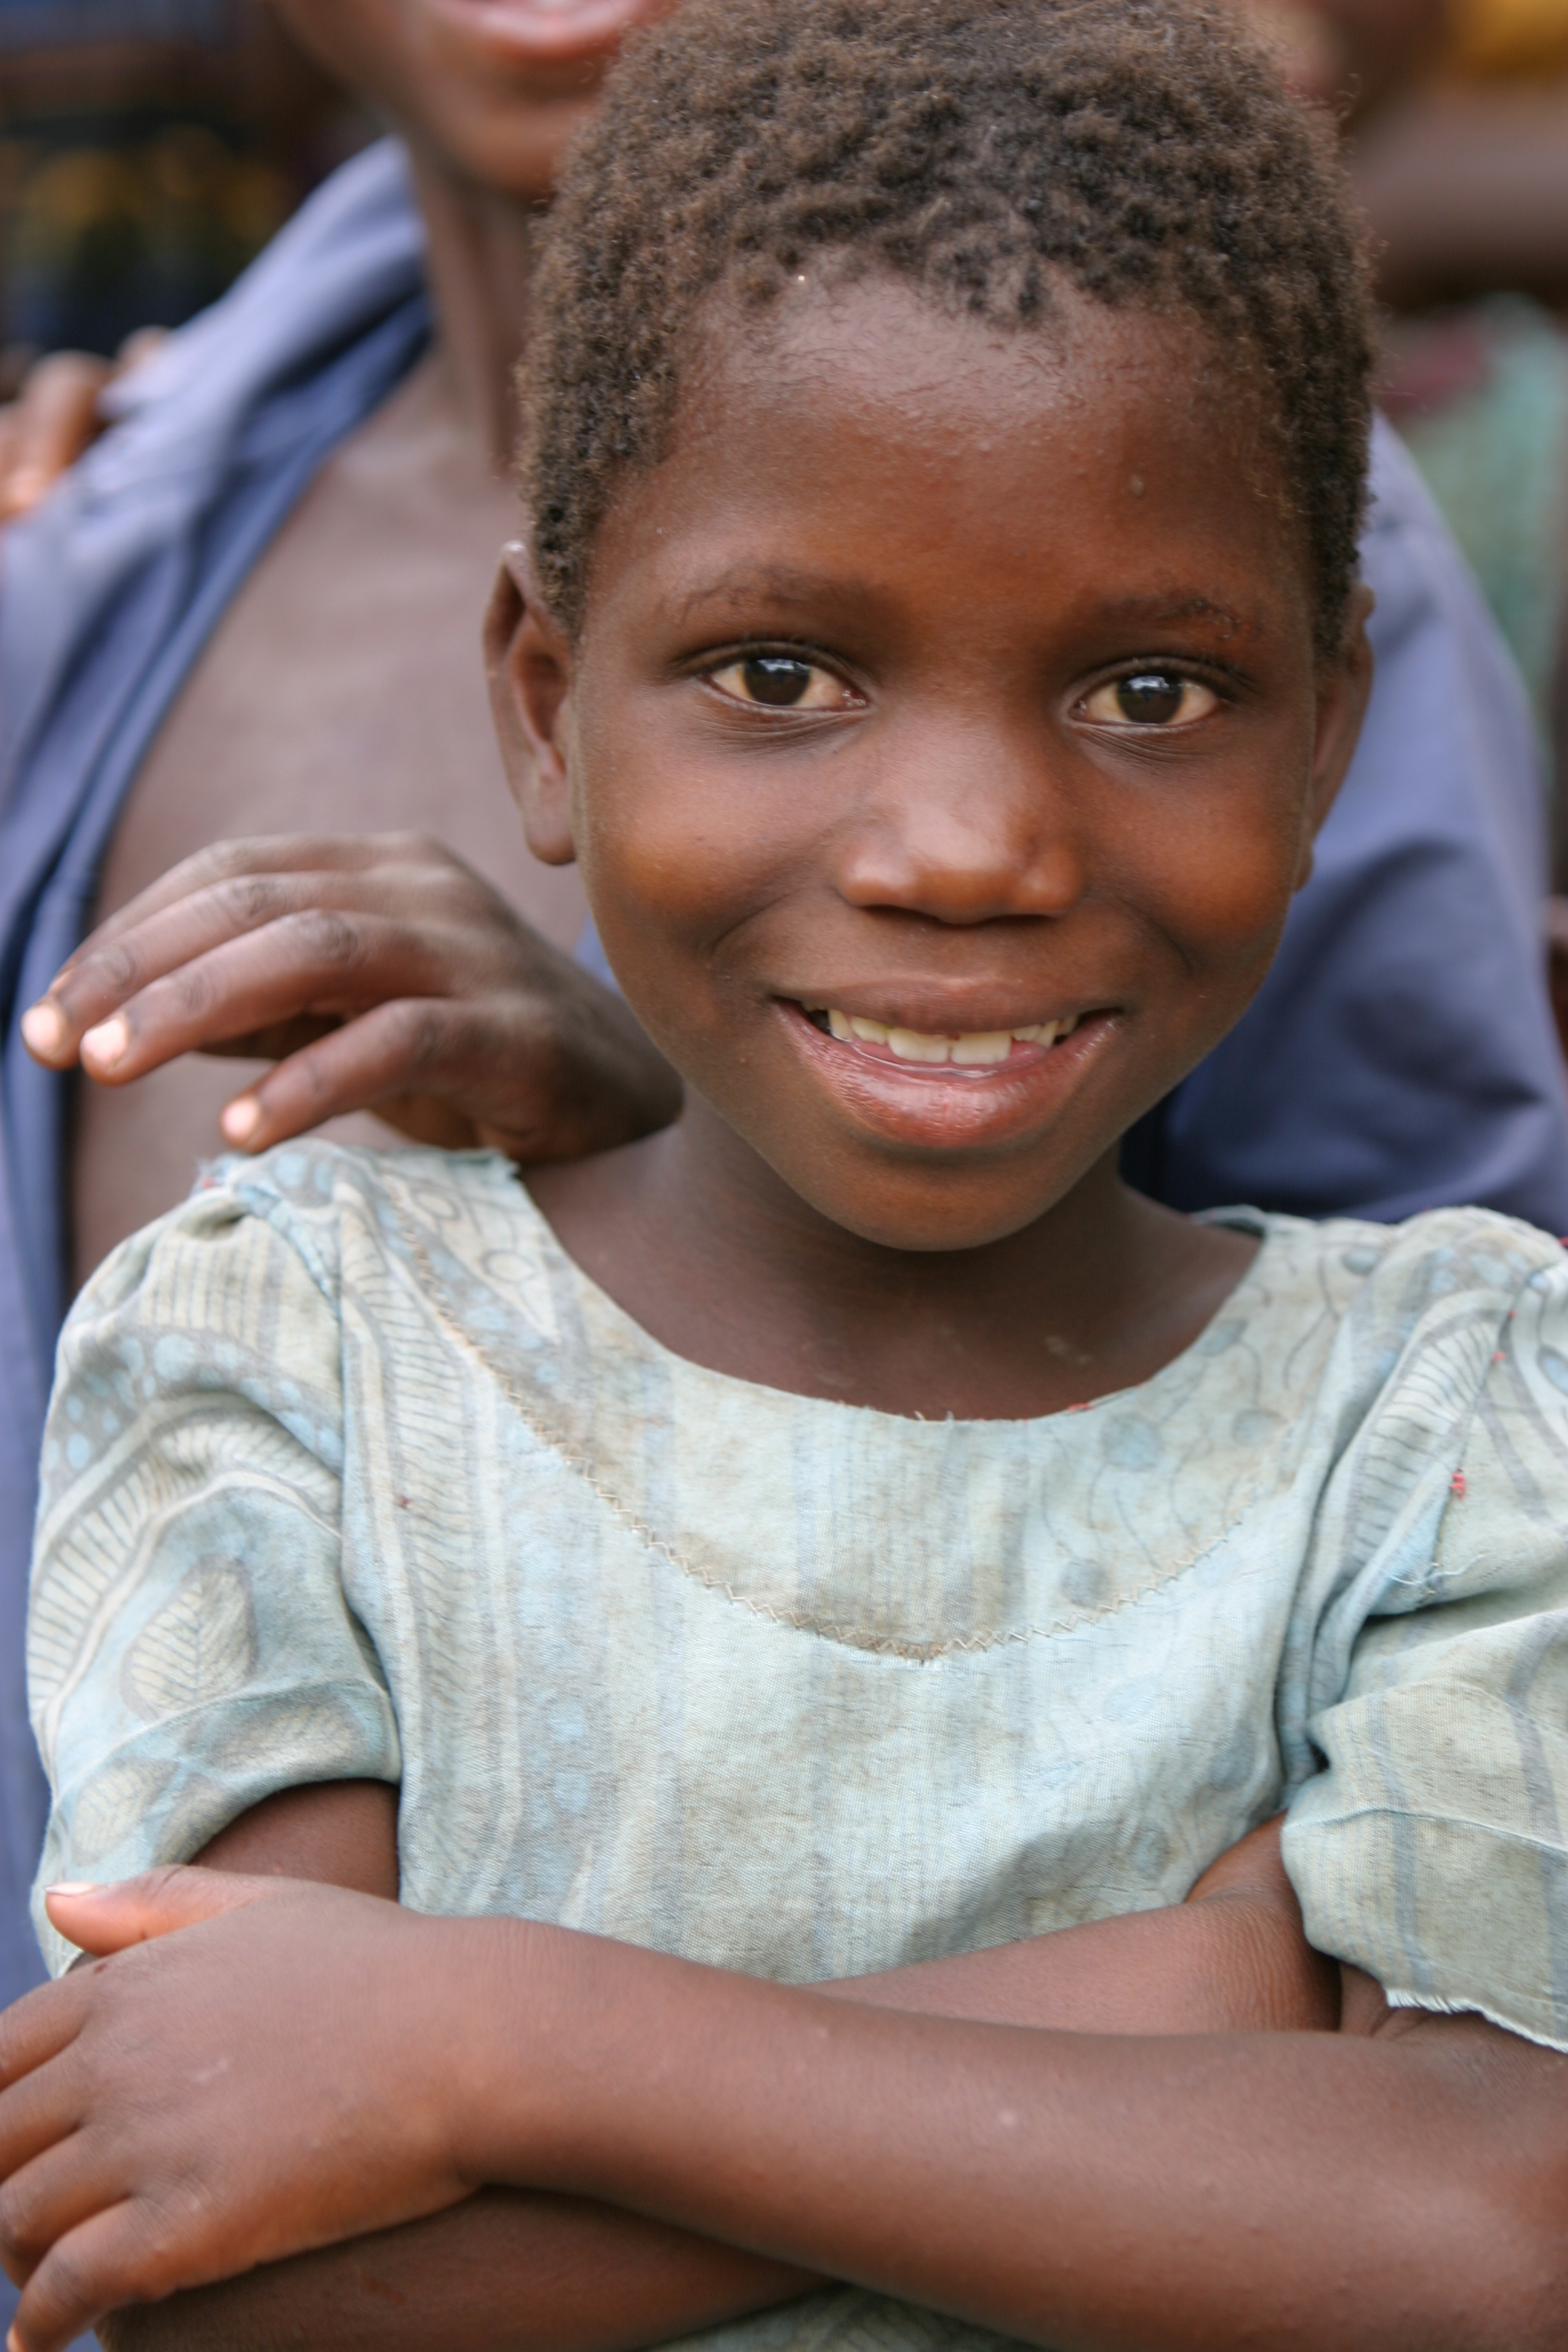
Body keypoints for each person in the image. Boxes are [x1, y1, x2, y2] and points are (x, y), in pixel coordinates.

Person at [8, 5, 1568, 2346]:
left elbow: (1491, 2224)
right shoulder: (282, 1353)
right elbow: (215, 2271)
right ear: (540, 703)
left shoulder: (1454, 1418)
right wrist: (1210, 1994)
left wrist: (491, 2047)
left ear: (1332, 724)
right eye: (781, 673)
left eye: (1148, 691)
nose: (967, 850)